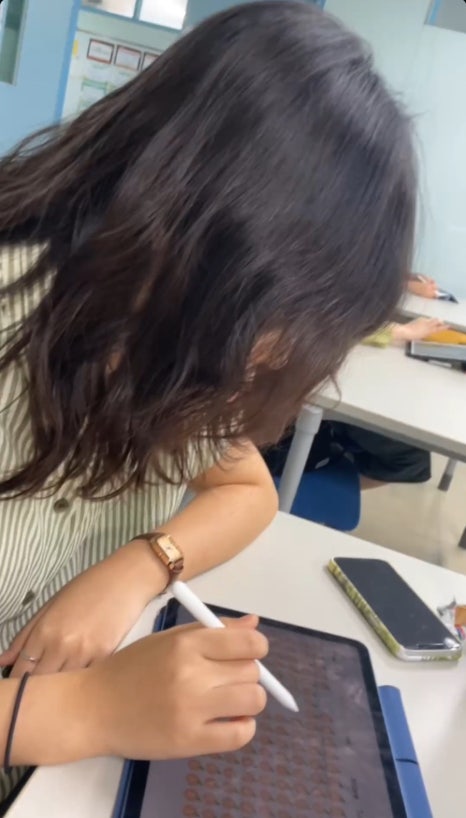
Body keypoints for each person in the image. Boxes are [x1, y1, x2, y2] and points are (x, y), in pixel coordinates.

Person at [0, 1, 417, 805]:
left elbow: (248, 489)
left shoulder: (177, 346)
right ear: (185, 232)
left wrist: (140, 567)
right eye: (274, 321)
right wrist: (88, 710)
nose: (271, 362)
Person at [265, 316, 445, 489]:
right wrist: (401, 331)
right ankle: (301, 493)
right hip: (291, 401)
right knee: (413, 457)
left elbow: (331, 322)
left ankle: (303, 490)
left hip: (301, 390)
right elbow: (324, 324)